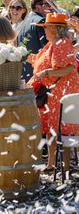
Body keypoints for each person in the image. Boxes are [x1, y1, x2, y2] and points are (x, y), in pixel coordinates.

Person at [27, 13, 79, 173]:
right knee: (53, 130)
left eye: (47, 27)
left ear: (56, 29)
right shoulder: (52, 43)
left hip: (61, 92)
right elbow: (37, 60)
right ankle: (52, 165)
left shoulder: (62, 43)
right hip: (53, 93)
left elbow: (69, 68)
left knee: (60, 129)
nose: (44, 30)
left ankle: (63, 166)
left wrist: (46, 73)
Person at [17, 0, 51, 82]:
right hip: (38, 73)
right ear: (38, 6)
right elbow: (47, 48)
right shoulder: (40, 21)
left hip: (24, 72)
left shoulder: (23, 22)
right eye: (47, 4)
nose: (50, 7)